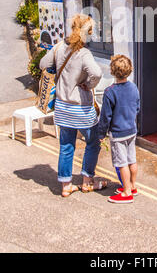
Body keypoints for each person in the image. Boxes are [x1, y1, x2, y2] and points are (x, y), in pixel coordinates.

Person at [40, 14, 107, 198]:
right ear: (89, 33)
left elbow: (42, 64)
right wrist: (89, 85)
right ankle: (87, 181)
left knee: (66, 145)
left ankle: (66, 185)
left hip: (62, 106)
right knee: (93, 142)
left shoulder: (59, 47)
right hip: (81, 108)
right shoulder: (84, 53)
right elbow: (97, 73)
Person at [98, 55, 140, 204]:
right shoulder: (134, 87)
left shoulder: (110, 92)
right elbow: (137, 107)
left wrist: (101, 133)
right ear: (130, 70)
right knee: (132, 160)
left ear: (112, 71)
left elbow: (105, 116)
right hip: (131, 130)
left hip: (118, 132)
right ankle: (133, 186)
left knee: (121, 163)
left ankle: (127, 192)